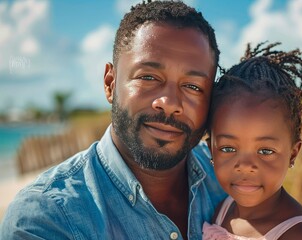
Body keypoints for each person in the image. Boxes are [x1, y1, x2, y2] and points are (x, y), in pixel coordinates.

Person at [0, 1, 226, 239]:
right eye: (148, 77)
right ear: (110, 84)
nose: (169, 102)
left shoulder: (233, 177)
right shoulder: (48, 218)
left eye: (192, 86)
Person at [202, 42, 302, 239]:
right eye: (228, 148)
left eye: (266, 151)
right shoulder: (223, 211)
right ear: (211, 149)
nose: (245, 166)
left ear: (293, 153)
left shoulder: (300, 234)